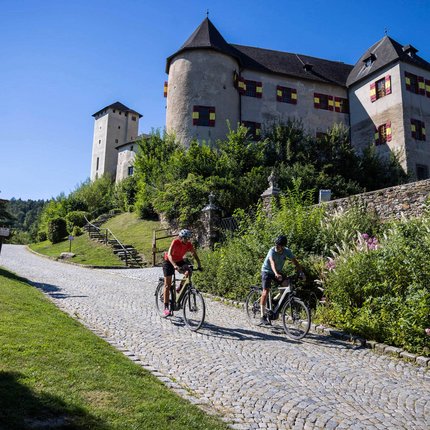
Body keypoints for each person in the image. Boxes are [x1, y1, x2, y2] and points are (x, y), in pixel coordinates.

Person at [260, 235, 304, 325]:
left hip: (277, 272)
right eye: (276, 245)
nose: (277, 247)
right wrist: (276, 273)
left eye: (279, 245)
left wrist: (301, 273)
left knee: (287, 286)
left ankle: (274, 300)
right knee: (265, 291)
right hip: (267, 271)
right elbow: (272, 262)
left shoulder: (287, 251)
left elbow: (295, 262)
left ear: (283, 246)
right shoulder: (272, 250)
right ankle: (262, 315)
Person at [162, 229, 201, 317]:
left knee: (189, 271)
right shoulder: (175, 242)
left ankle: (180, 287)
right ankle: (166, 308)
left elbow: (194, 254)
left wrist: (199, 264)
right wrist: (174, 266)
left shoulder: (188, 244)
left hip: (179, 260)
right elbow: (169, 255)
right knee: (167, 285)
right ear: (181, 237)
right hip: (168, 261)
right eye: (186, 238)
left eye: (188, 238)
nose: (187, 240)